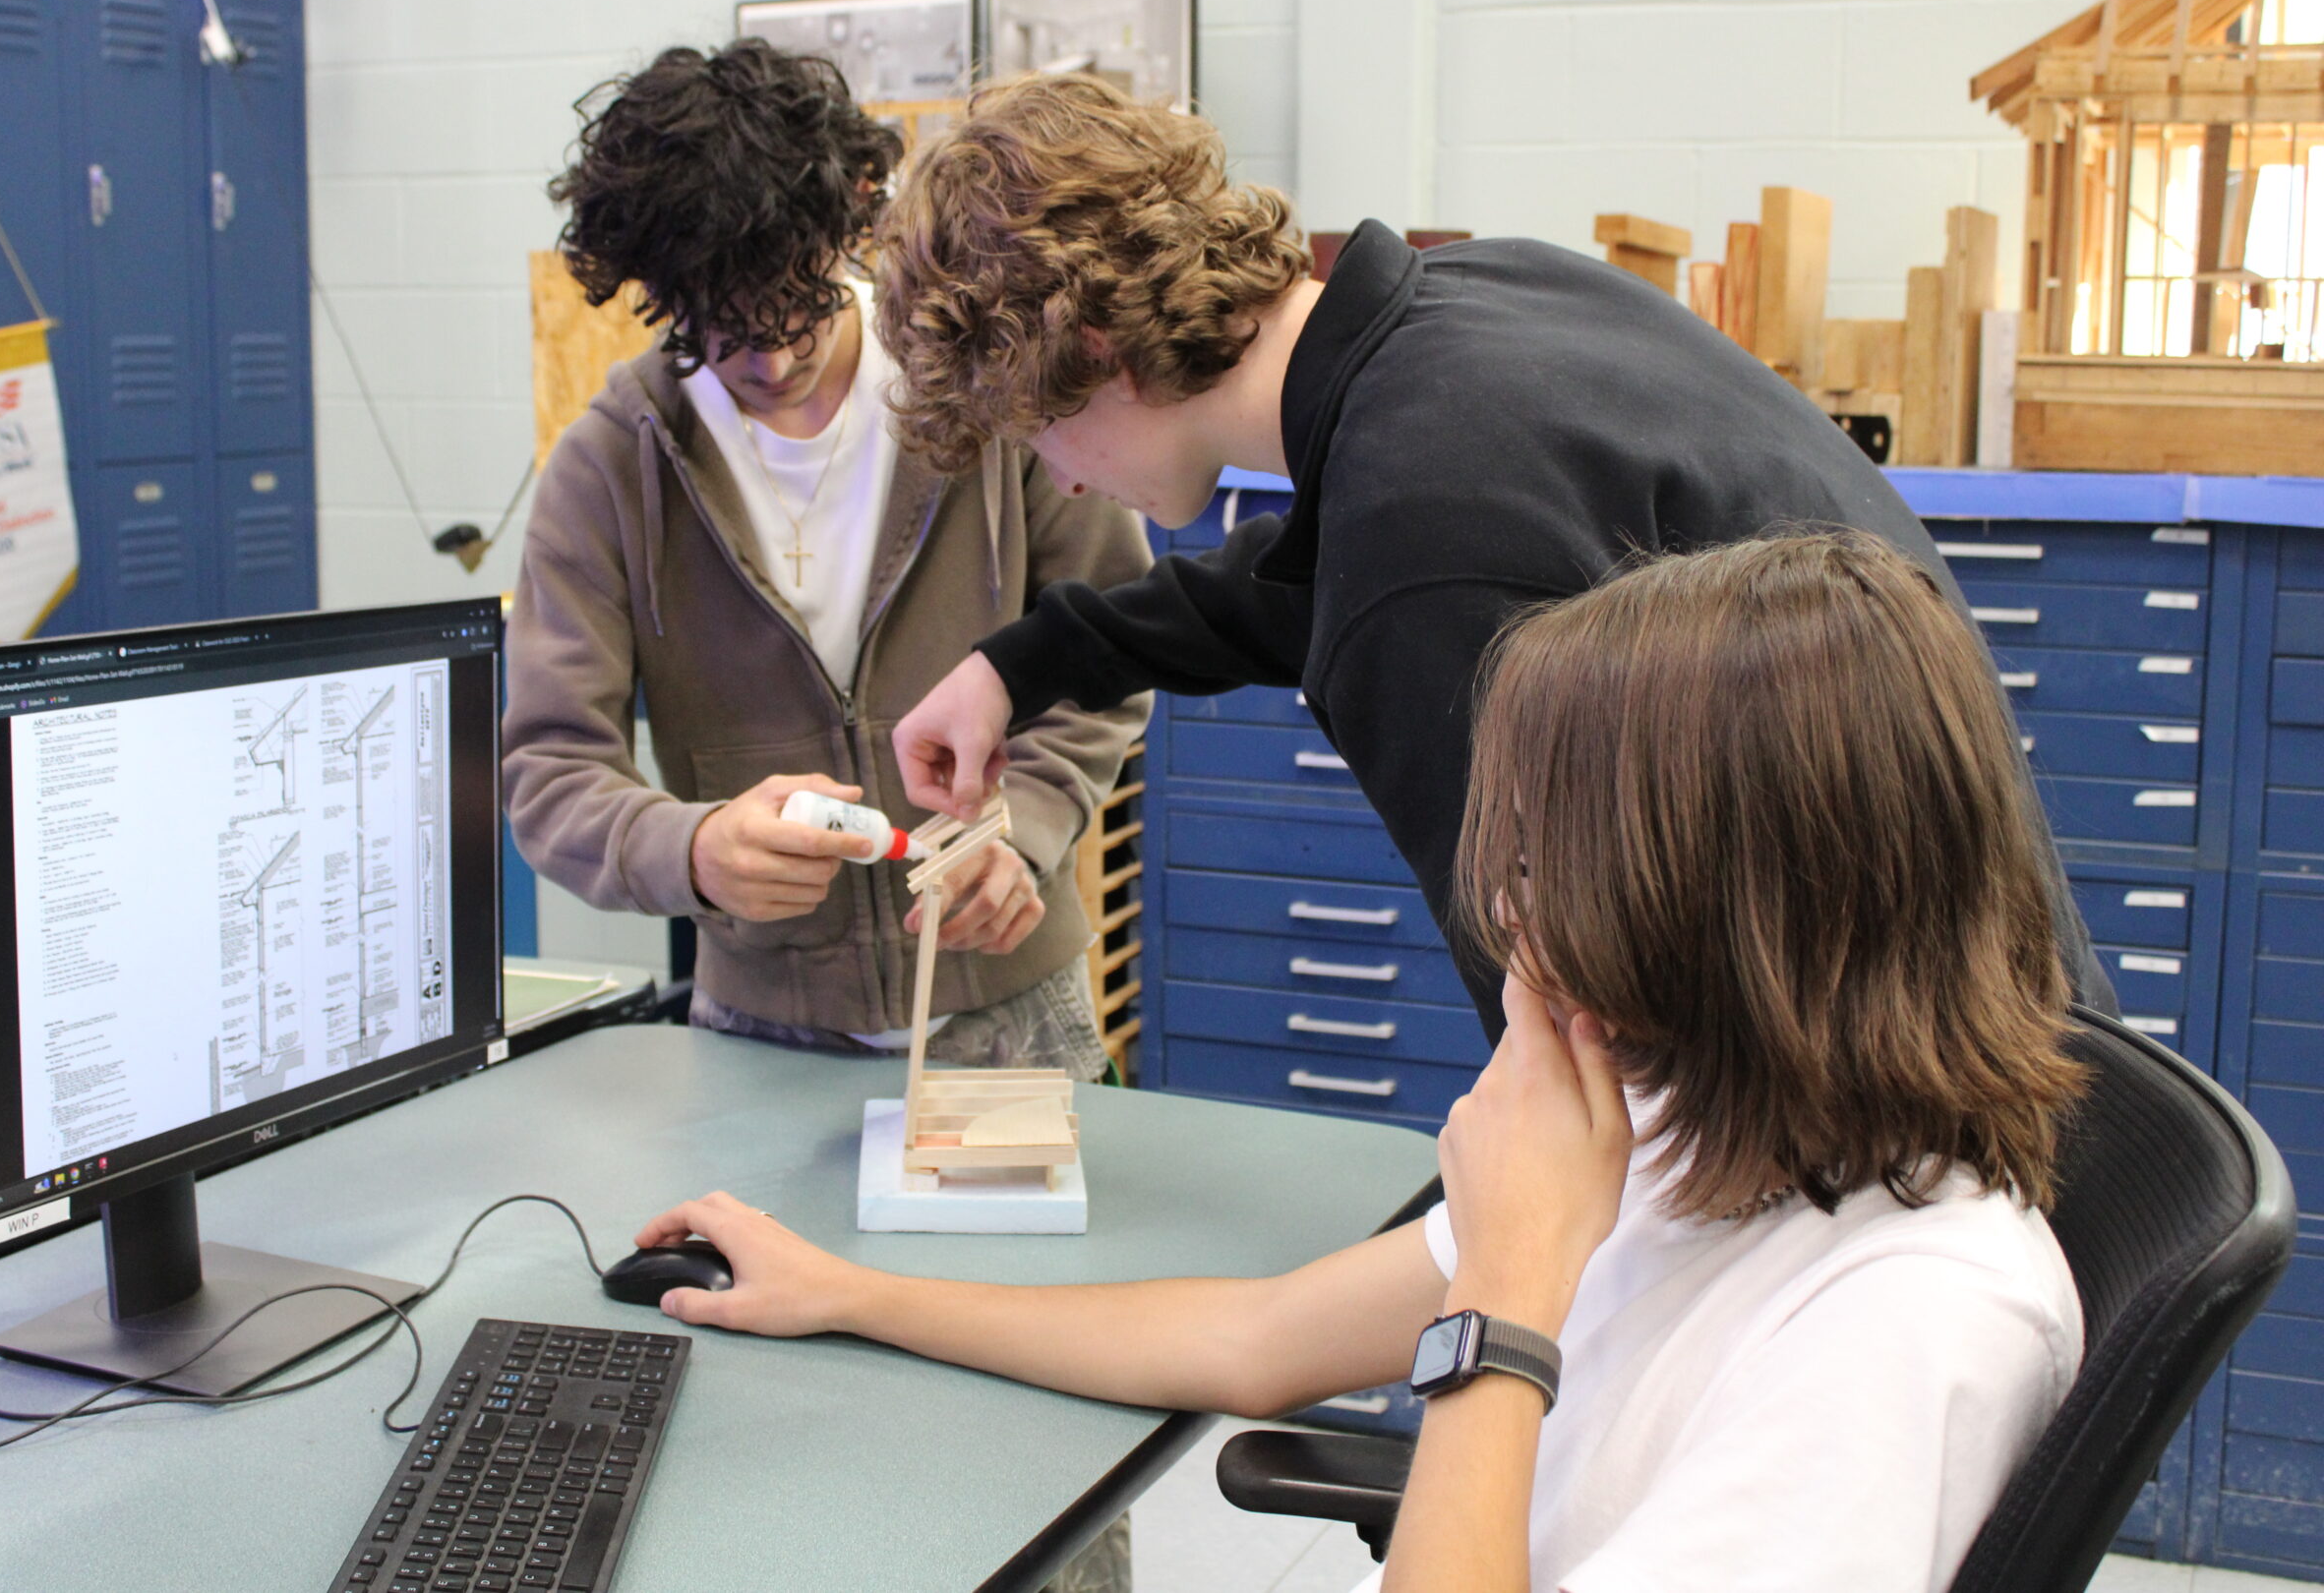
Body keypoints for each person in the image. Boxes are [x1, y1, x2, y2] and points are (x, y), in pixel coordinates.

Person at [633, 532, 2090, 1593]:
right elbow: (1257, 1339)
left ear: (1731, 910)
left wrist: (1507, 1303)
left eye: (1551, 861)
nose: (1506, 909)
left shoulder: (1907, 1329)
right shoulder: (1694, 1126)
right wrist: (854, 1290)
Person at [876, 73, 2116, 1037]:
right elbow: (1317, 570)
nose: (1059, 475)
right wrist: (1026, 662)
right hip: (1992, 1001)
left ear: (1100, 352)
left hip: (1879, 1125)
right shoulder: (1482, 297)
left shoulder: (1419, 547)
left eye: (1036, 430)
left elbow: (1560, 1034)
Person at [504, 42, 1151, 1080]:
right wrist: (694, 851)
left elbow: (1108, 648)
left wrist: (1024, 824)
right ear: (662, 294)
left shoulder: (981, 390)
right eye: (725, 332)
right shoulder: (610, 466)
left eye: (797, 312)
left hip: (1016, 1007)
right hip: (763, 1030)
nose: (771, 362)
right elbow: (547, 770)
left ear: (844, 233)